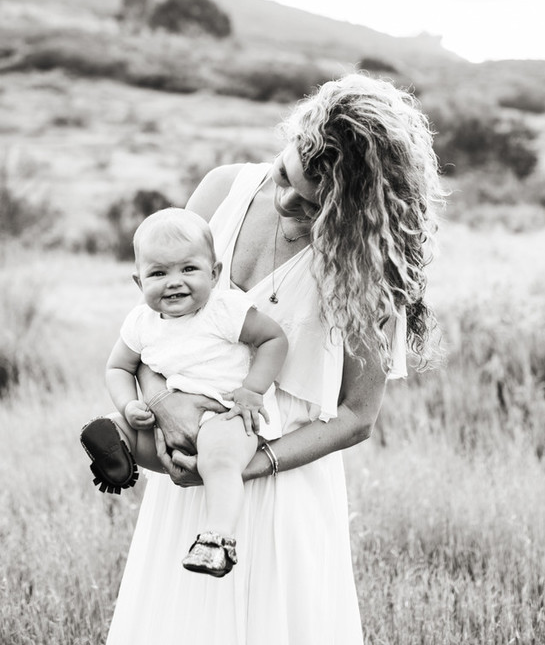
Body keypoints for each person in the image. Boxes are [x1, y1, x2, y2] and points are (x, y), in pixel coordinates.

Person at [105, 73, 444, 645]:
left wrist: (243, 466)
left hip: (283, 485)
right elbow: (155, 330)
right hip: (183, 457)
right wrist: (162, 407)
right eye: (285, 173)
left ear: (353, 210)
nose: (285, 198)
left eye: (312, 204)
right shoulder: (219, 192)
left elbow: (357, 416)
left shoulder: (368, 270)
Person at [81, 208, 288, 577]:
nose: (174, 282)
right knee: (116, 425)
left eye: (188, 269)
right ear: (138, 281)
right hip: (167, 426)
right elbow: (118, 367)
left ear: (215, 273)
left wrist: (252, 391)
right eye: (158, 273)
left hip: (225, 416)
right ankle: (117, 453)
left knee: (220, 459)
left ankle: (217, 539)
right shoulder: (141, 322)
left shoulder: (224, 310)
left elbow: (273, 339)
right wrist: (129, 406)